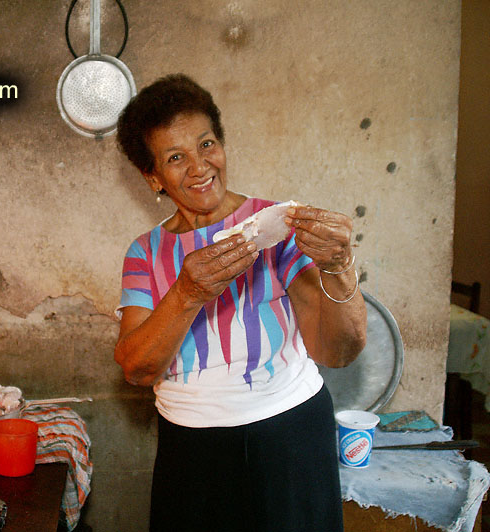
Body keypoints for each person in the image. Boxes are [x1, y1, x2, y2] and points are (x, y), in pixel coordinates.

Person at [114, 74, 367, 532]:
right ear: (152, 176)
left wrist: (339, 265)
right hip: (192, 449)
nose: (199, 167)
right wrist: (187, 292)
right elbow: (137, 368)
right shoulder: (145, 253)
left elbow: (339, 352)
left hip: (290, 435)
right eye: (175, 157)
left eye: (206, 144)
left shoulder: (275, 223)